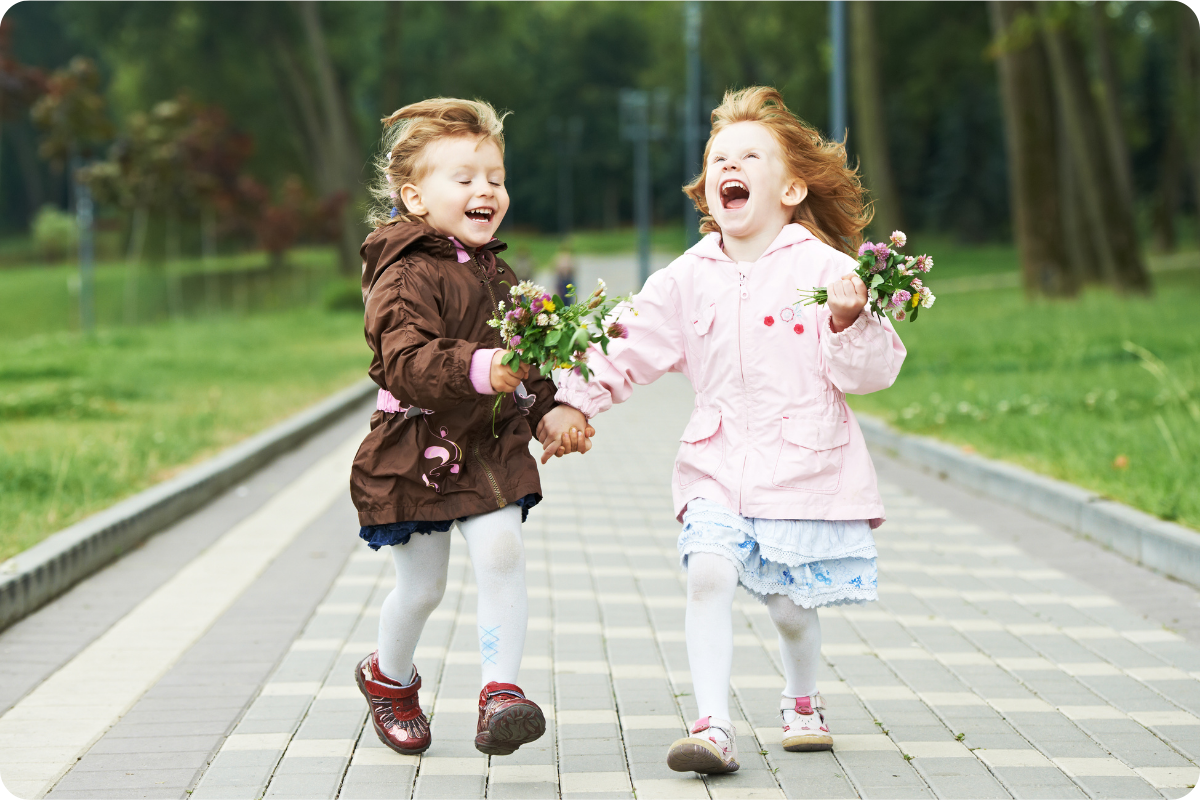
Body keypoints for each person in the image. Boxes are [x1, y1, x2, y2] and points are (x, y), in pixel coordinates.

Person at [546, 87, 906, 774]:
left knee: (793, 606)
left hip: (803, 466)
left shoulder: (828, 271)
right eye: (717, 158)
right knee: (707, 574)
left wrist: (847, 319)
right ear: (709, 187)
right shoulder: (687, 277)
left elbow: (871, 372)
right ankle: (712, 724)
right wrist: (572, 402)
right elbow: (626, 344)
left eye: (748, 156)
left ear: (792, 187)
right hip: (716, 462)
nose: (727, 165)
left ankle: (803, 700)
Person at [351, 97, 592, 757]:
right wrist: (486, 367)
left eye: (496, 177)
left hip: (489, 444)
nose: (486, 189)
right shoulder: (401, 274)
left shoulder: (497, 272)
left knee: (501, 553)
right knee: (423, 586)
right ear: (416, 197)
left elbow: (531, 354)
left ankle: (499, 695)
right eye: (465, 178)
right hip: (417, 447)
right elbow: (404, 363)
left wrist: (552, 408)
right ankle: (388, 679)